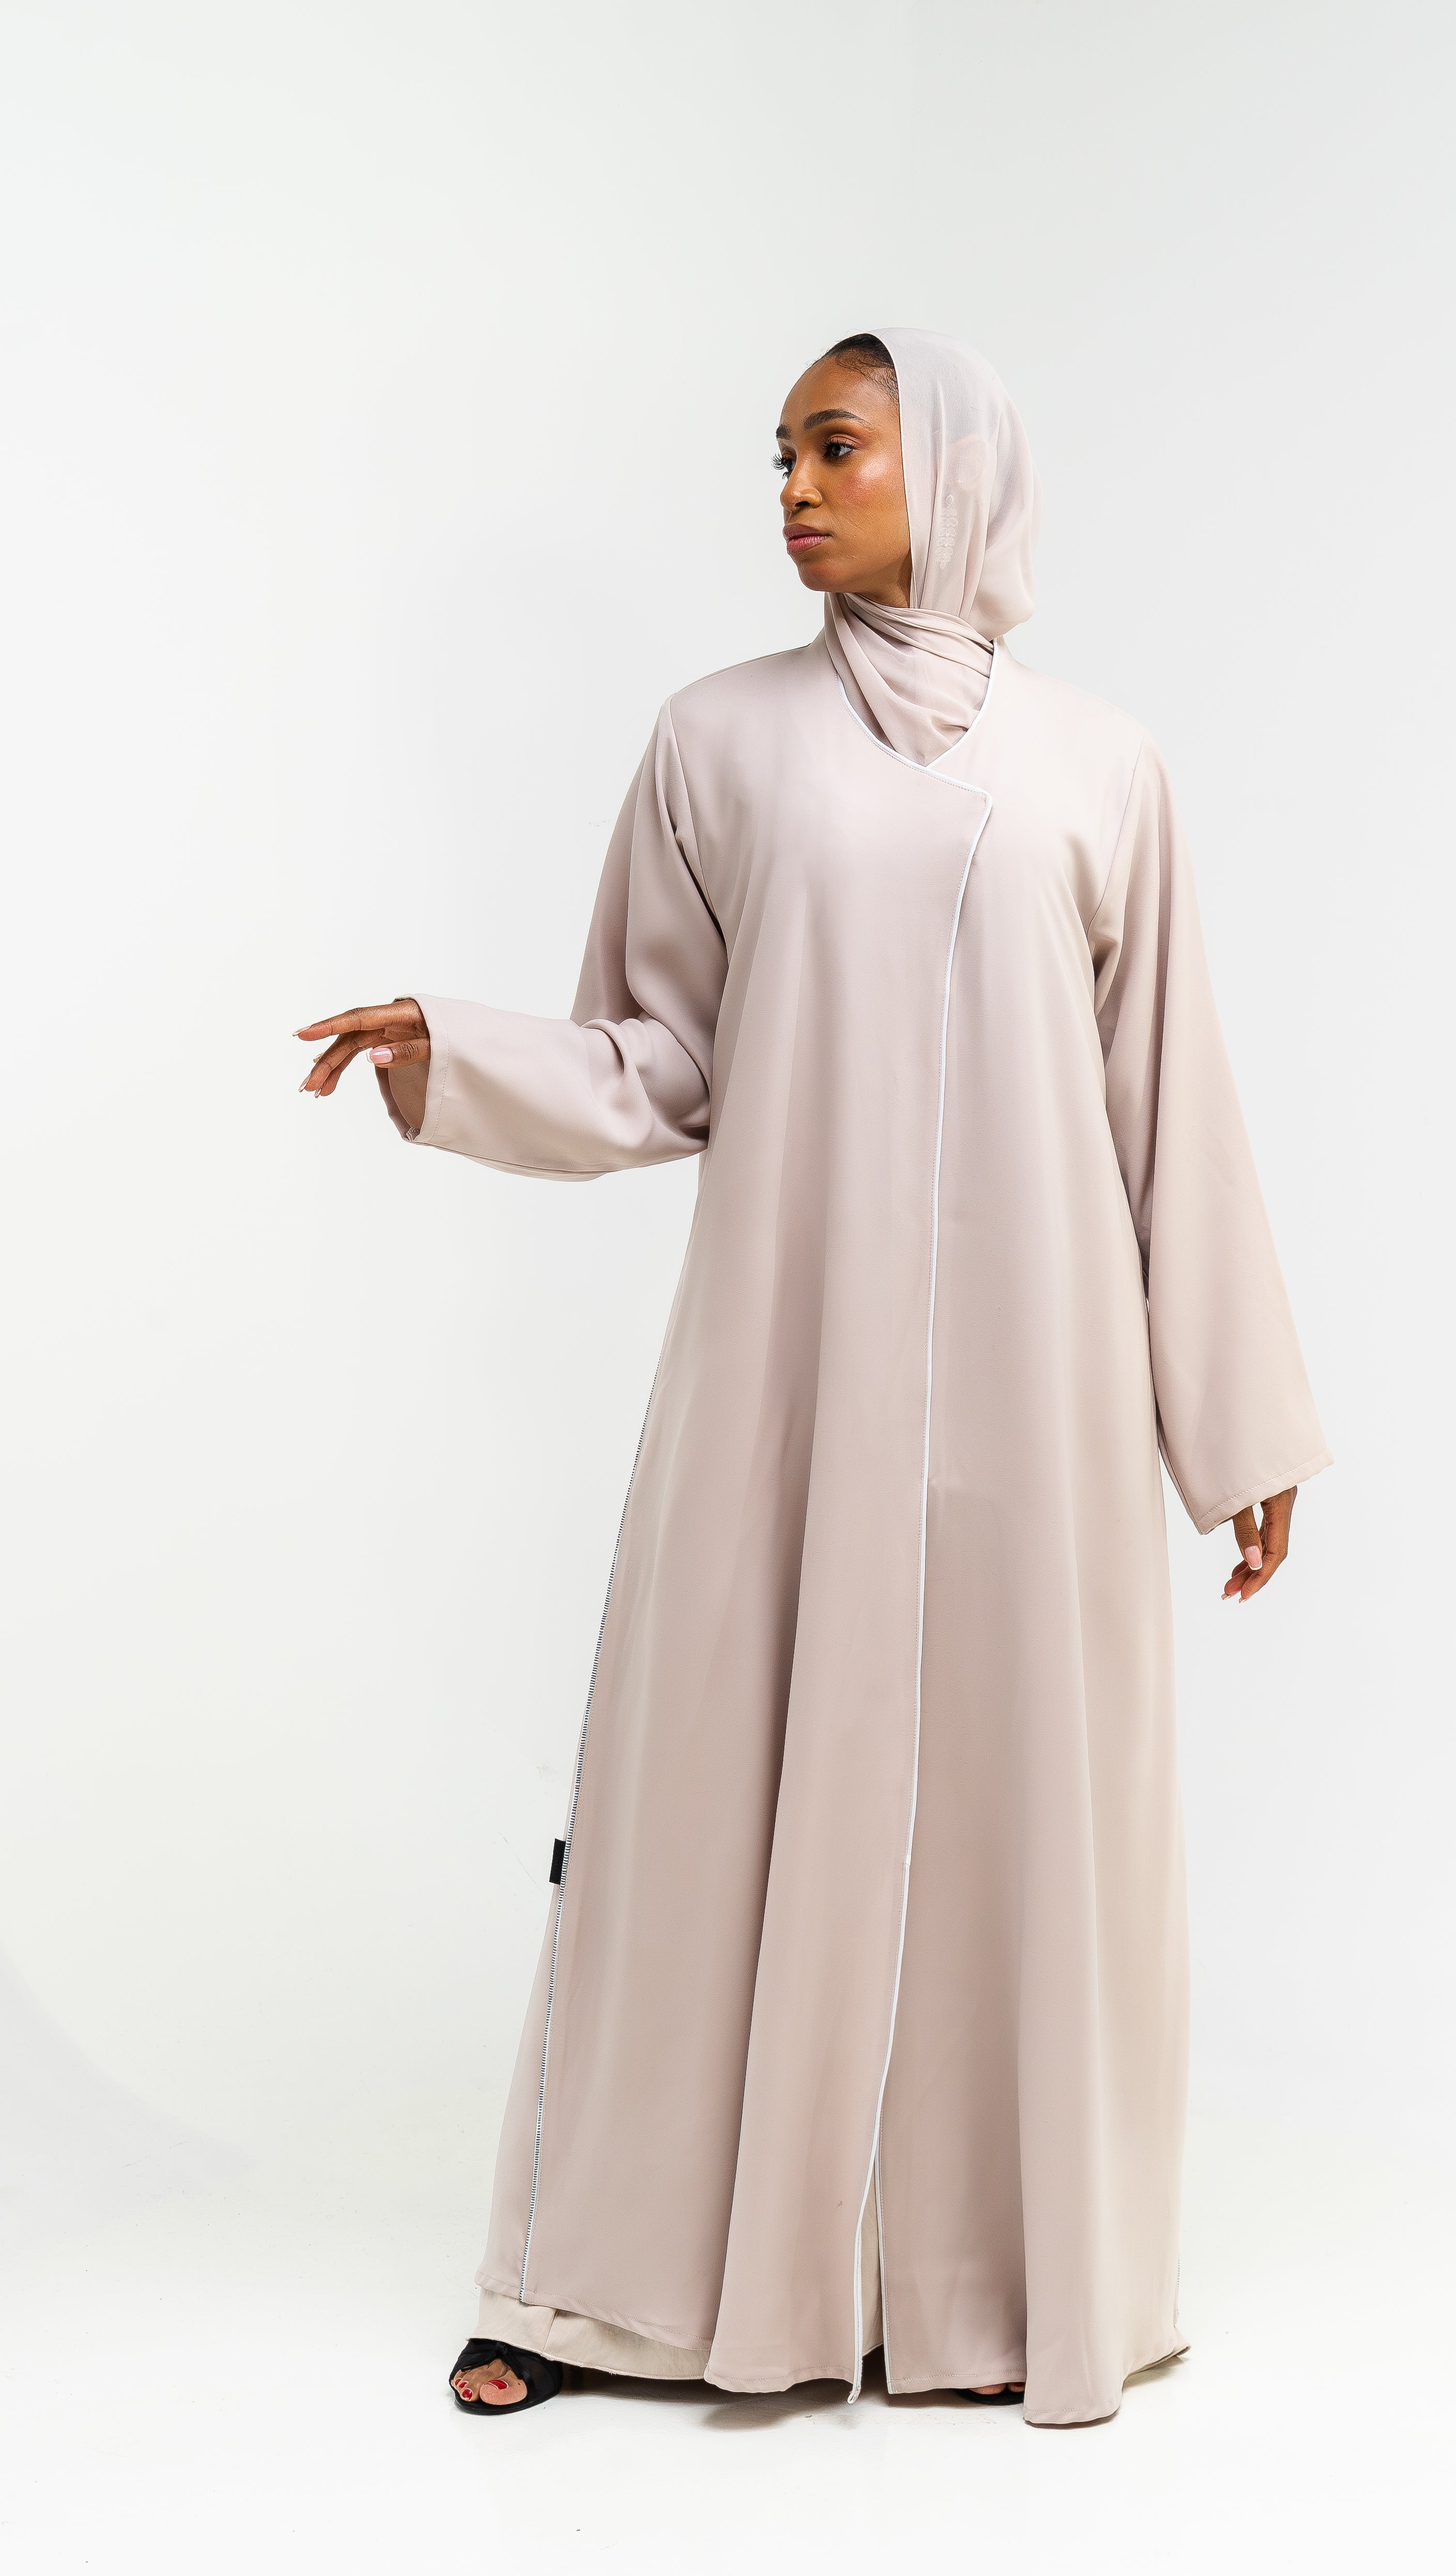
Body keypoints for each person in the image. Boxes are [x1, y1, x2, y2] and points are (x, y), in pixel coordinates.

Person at [296, 329, 1329, 2428]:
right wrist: (454, 1053)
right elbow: (660, 1058)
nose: (790, 486)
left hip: (1041, 1390)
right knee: (700, 1794)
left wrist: (1230, 1425)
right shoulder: (719, 741)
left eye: (834, 447)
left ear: (948, 465)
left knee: (1017, 1822)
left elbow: (1167, 1105)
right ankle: (606, 2292)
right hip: (787, 1364)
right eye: (776, 453)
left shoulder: (1099, 767)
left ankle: (977, 2290)